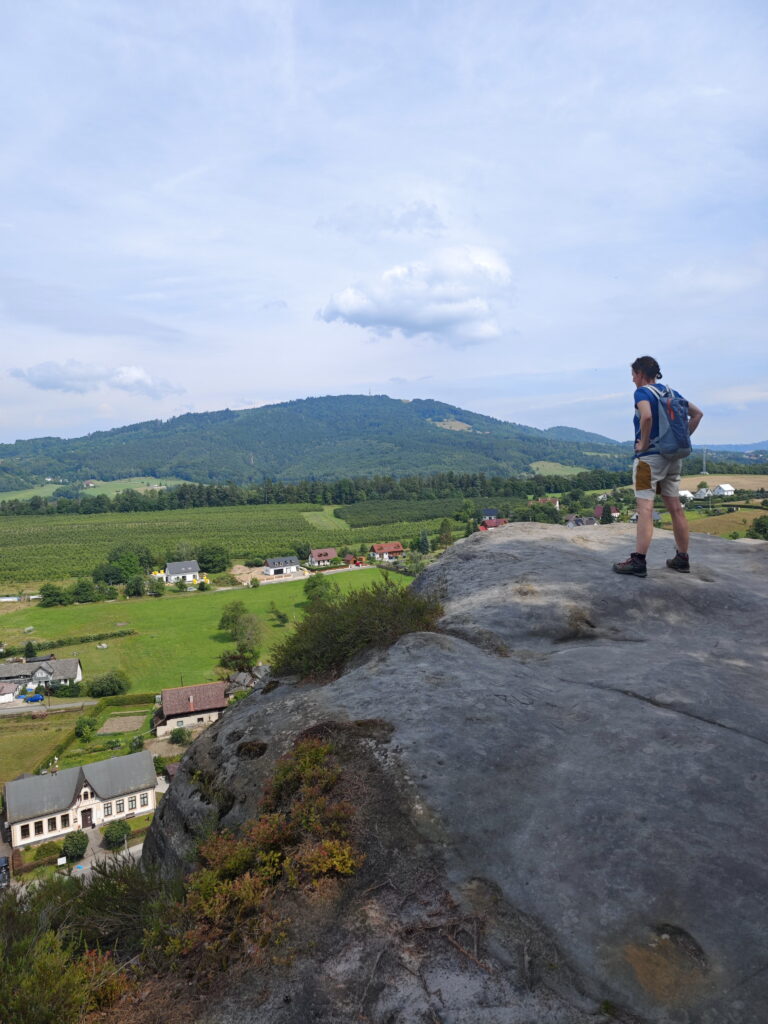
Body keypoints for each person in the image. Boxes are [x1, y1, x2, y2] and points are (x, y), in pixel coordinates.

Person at [613, 356, 703, 577]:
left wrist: (643, 444)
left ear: (641, 374)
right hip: (673, 459)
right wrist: (680, 439)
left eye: (634, 375)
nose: (633, 380)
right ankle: (682, 558)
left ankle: (638, 561)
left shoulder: (642, 392)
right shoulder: (671, 393)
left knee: (645, 509)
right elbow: (697, 413)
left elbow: (646, 417)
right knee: (675, 507)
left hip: (648, 461)